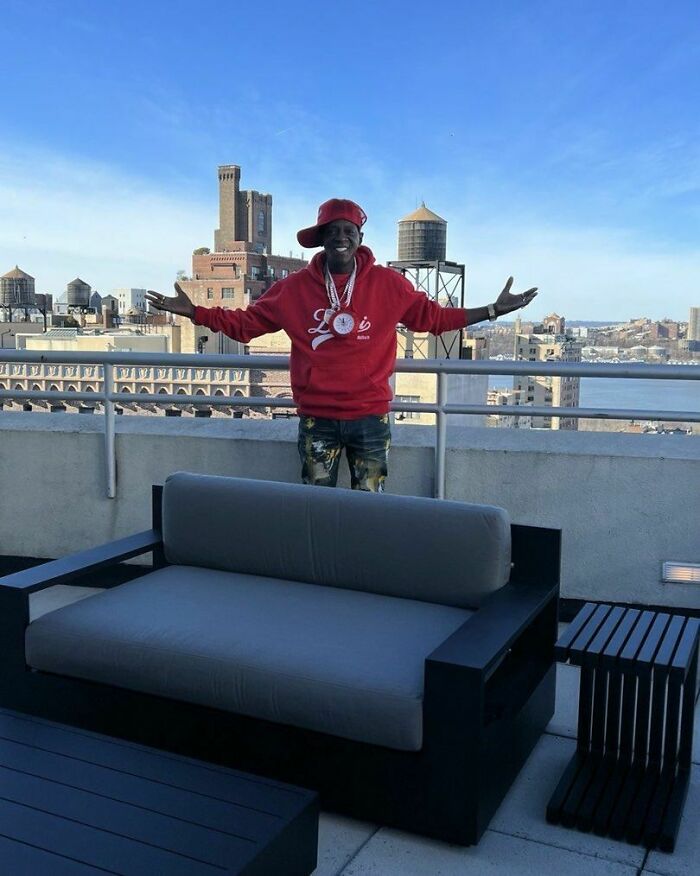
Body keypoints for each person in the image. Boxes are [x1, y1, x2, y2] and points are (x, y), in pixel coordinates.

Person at [146, 198, 537, 491]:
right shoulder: (292, 289)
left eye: (348, 231)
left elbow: (434, 319)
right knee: (316, 502)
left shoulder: (388, 284)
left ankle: (361, 577)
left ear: (360, 239)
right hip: (317, 419)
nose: (340, 238)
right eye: (332, 231)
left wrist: (491, 310)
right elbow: (245, 325)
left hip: (370, 417)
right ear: (321, 240)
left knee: (369, 503)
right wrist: (195, 312)